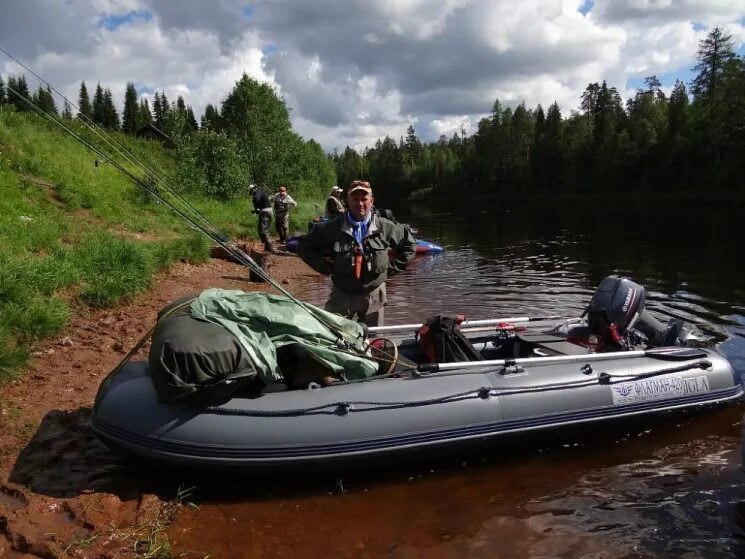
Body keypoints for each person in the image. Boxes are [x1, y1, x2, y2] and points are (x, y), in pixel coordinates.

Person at [297, 180, 416, 327]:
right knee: (333, 335)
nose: (360, 203)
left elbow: (410, 245)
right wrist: (326, 268)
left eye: (364, 199)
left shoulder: (386, 227)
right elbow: (303, 246)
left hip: (375, 294)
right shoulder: (332, 227)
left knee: (373, 341)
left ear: (371, 201)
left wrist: (391, 269)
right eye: (355, 199)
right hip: (342, 293)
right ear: (347, 200)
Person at [249, 183, 274, 253]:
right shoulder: (258, 193)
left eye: (251, 191)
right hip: (264, 212)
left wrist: (256, 207)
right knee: (260, 229)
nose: (250, 192)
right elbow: (260, 204)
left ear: (254, 188)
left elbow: (256, 199)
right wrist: (256, 210)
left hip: (266, 213)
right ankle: (266, 247)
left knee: (263, 230)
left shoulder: (258, 192)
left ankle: (270, 248)